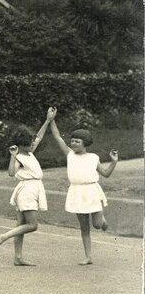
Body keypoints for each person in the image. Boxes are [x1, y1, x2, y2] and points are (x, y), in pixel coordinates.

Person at [46, 112, 119, 265]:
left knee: (97, 225)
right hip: (77, 193)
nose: (73, 143)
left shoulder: (93, 157)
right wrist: (51, 120)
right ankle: (88, 257)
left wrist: (113, 162)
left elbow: (105, 174)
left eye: (77, 141)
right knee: (84, 227)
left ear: (85, 143)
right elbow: (58, 137)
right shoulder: (70, 155)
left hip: (92, 192)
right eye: (72, 141)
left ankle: (102, 220)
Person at [0, 107, 54, 265]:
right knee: (32, 225)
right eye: (29, 142)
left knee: (21, 224)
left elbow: (39, 136)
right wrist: (13, 157)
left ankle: (18, 257)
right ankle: (3, 237)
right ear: (21, 145)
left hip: (29, 189)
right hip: (27, 191)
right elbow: (11, 173)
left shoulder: (29, 152)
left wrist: (48, 120)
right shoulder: (19, 156)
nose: (33, 143)